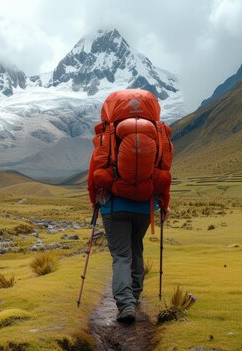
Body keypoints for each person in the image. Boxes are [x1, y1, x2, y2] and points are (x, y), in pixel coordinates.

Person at [87, 89, 173, 323]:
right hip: (145, 206)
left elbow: (94, 172)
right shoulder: (157, 132)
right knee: (136, 249)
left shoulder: (110, 134)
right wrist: (163, 204)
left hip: (114, 206)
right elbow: (164, 170)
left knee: (122, 255)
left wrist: (95, 200)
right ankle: (134, 297)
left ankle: (126, 305)